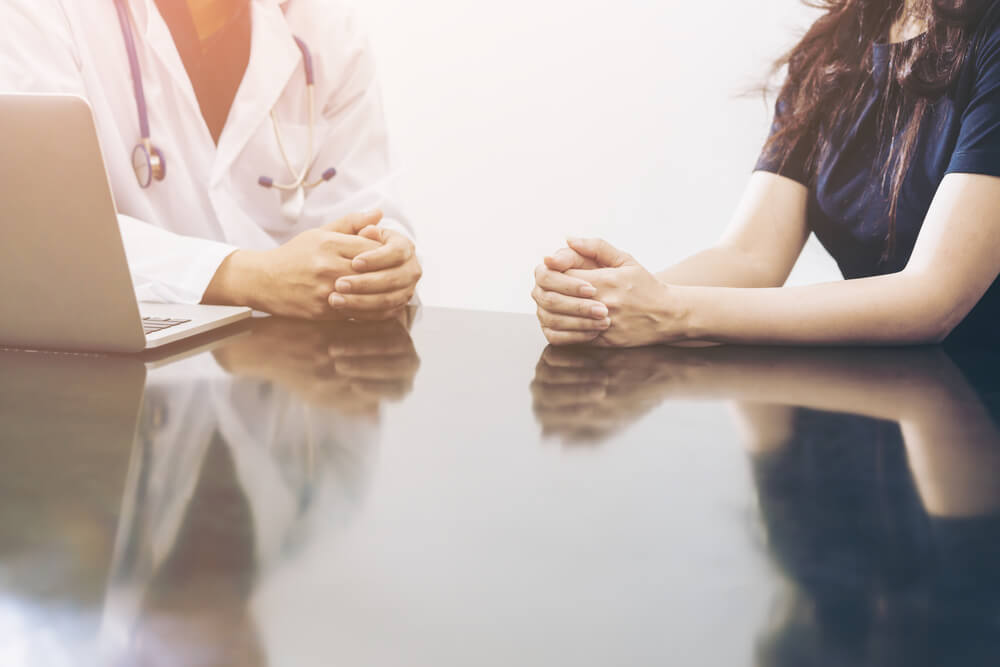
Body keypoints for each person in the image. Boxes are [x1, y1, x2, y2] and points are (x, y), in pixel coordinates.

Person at [532, 0, 1000, 347]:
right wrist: (604, 301)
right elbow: (751, 256)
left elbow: (934, 297)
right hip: (879, 402)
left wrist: (666, 309)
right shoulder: (837, 42)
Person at [0, 0, 421, 321]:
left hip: (290, 387)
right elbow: (47, 232)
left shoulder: (327, 27)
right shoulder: (44, 13)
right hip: (116, 375)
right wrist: (247, 275)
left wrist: (385, 260)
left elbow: (370, 206)